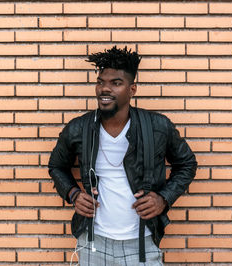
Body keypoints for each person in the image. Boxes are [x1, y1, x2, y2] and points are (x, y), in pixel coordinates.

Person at [48, 46, 197, 265]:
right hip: (93, 240)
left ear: (132, 89)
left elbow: (187, 164)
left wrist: (163, 198)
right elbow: (56, 166)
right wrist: (73, 194)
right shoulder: (79, 128)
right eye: (100, 82)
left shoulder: (157, 127)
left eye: (116, 83)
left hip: (142, 241)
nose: (104, 89)